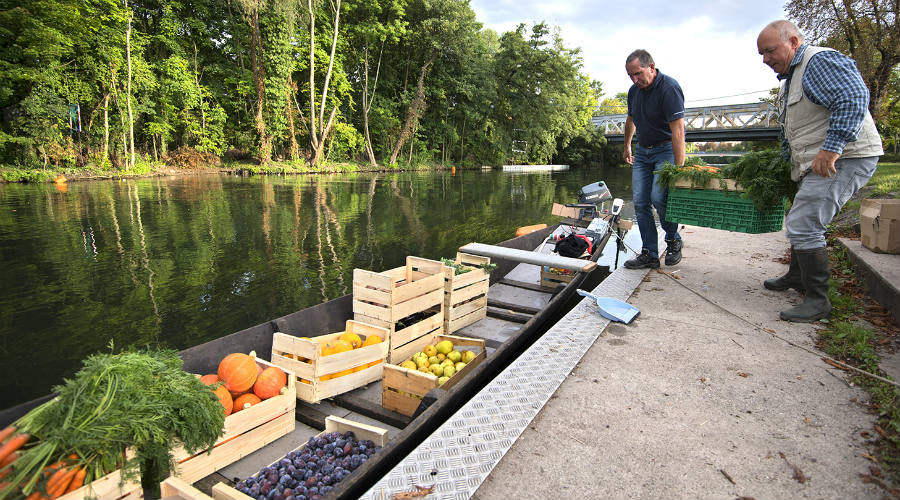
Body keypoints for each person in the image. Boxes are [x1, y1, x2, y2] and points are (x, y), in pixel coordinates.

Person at [757, 20, 883, 322]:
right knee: (800, 216)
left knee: (805, 222)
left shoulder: (819, 61)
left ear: (793, 42)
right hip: (818, 160)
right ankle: (798, 277)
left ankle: (818, 300)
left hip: (844, 157)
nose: (765, 59)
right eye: (762, 54)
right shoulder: (791, 79)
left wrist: (832, 148)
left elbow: (853, 97)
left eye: (770, 51)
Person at [622, 49, 685, 269]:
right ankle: (649, 252)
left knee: (659, 198)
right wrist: (627, 145)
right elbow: (630, 120)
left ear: (651, 67)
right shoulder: (634, 91)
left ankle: (673, 239)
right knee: (640, 202)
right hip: (642, 152)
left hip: (665, 150)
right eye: (630, 75)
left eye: (638, 73)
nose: (634, 79)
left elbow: (678, 130)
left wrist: (679, 167)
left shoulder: (669, 88)